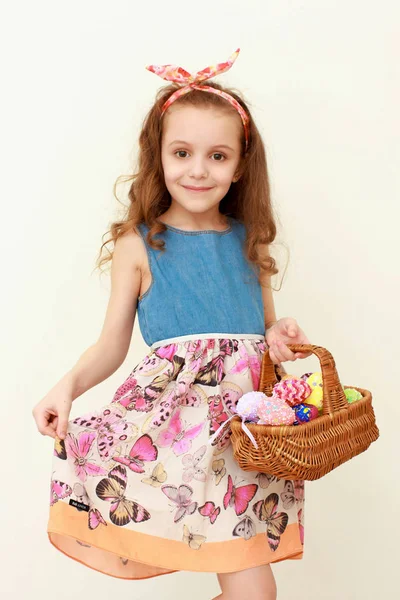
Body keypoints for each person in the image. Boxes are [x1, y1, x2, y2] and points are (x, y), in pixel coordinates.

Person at [33, 49, 311, 600]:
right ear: (157, 155)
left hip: (246, 441)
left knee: (253, 590)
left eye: (217, 155)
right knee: (255, 592)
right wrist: (65, 388)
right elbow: (113, 344)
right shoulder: (139, 244)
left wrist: (280, 340)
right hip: (178, 440)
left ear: (239, 163)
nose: (198, 170)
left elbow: (264, 336)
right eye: (182, 152)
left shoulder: (248, 242)